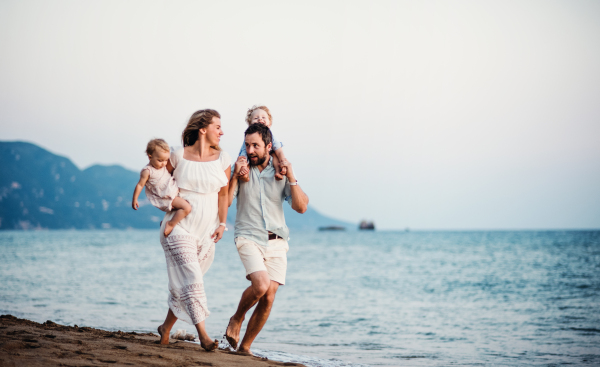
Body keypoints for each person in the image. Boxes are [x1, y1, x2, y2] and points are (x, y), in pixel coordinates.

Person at [225, 123, 308, 355]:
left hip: (278, 241)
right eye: (247, 145)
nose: (250, 150)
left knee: (269, 297)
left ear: (268, 147)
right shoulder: (242, 172)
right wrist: (234, 174)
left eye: (255, 146)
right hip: (247, 236)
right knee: (260, 285)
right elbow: (227, 201)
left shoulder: (280, 172)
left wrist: (291, 176)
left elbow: (301, 207)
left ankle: (245, 348)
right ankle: (236, 318)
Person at [156, 109, 231, 352]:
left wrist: (222, 224)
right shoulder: (177, 157)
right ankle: (204, 337)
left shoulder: (223, 159)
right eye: (217, 127)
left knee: (186, 283)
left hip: (207, 231)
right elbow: (160, 186)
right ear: (202, 129)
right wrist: (169, 208)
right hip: (177, 227)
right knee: (193, 279)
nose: (221, 132)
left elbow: (223, 196)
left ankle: (166, 327)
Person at [131, 138, 192, 237]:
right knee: (187, 208)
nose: (164, 163)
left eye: (166, 160)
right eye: (160, 160)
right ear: (150, 157)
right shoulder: (147, 171)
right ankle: (170, 224)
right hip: (166, 197)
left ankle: (164, 222)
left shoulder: (163, 165)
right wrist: (135, 199)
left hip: (173, 190)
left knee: (189, 203)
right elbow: (140, 185)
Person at [237, 105, 287, 182]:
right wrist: (243, 165)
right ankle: (245, 174)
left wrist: (283, 161)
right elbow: (243, 152)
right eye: (256, 118)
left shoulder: (272, 136)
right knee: (247, 155)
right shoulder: (248, 138)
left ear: (269, 124)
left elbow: (279, 150)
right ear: (250, 125)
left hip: (268, 155)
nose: (260, 119)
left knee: (275, 155)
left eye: (263, 117)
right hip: (254, 157)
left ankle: (278, 171)